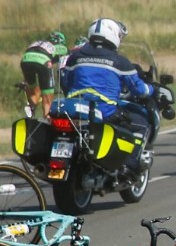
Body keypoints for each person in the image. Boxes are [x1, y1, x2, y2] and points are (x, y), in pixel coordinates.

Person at [58, 18, 159, 154]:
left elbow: (65, 82)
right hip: (105, 112)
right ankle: (129, 167)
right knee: (141, 125)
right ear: (113, 36)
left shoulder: (74, 58)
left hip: (74, 110)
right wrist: (153, 89)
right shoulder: (120, 62)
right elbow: (139, 89)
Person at [19, 30, 68, 119]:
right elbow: (64, 63)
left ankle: (30, 109)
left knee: (34, 90)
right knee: (47, 98)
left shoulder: (38, 42)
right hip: (43, 61)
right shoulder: (61, 47)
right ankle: (47, 119)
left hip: (25, 60)